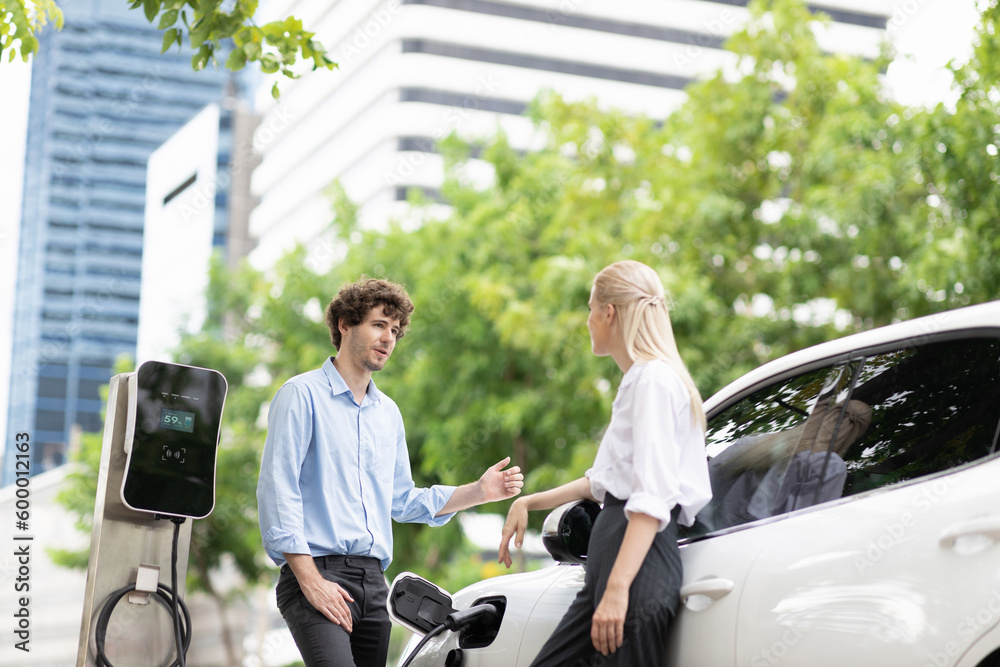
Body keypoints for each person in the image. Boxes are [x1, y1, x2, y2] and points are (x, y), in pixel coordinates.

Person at [257, 277, 524, 667]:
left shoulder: (389, 414)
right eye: (379, 325)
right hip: (317, 571)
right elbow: (278, 493)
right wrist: (311, 581)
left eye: (395, 330)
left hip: (374, 586)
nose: (388, 338)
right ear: (345, 324)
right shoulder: (301, 395)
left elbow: (401, 500)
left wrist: (479, 491)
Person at [498, 260, 712, 665]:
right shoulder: (642, 380)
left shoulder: (652, 380)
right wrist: (528, 501)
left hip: (632, 570)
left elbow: (652, 499)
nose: (587, 320)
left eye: (590, 308)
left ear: (609, 313)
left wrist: (617, 589)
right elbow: (604, 482)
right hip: (614, 567)